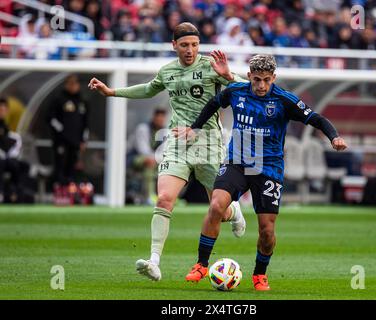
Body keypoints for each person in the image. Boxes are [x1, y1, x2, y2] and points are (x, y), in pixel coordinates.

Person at [88, 22, 247, 282]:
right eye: (184, 45)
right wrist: (112, 92)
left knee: (219, 208)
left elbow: (247, 89)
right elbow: (148, 89)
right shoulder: (168, 71)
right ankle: (153, 261)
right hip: (177, 141)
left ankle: (235, 212)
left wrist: (229, 76)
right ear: (174, 45)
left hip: (209, 144)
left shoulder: (211, 66)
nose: (190, 50)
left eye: (194, 45)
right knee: (163, 198)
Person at [177, 55, 347, 291]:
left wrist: (334, 136)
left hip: (268, 168)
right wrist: (195, 128)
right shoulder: (235, 91)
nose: (261, 86)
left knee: (267, 230)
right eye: (257, 80)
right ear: (249, 76)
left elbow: (315, 118)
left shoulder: (284, 100)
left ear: (274, 78)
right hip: (237, 161)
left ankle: (259, 274)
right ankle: (201, 264)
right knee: (216, 205)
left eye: (267, 80)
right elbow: (214, 103)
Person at [47, 74, 89, 195]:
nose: (73, 86)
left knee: (72, 167)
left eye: (75, 83)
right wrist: (61, 131)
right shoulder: (59, 99)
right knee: (60, 165)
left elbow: (85, 123)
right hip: (61, 141)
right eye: (70, 83)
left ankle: (70, 194)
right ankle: (58, 192)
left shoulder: (82, 101)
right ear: (66, 85)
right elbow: (50, 118)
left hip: (75, 142)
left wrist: (83, 140)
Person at [126, 108, 168, 204]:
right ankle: (149, 197)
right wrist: (153, 159)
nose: (161, 121)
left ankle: (164, 196)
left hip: (155, 159)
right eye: (159, 118)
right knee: (149, 164)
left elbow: (164, 150)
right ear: (154, 117)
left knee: (167, 166)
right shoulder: (143, 128)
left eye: (163, 119)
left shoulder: (165, 132)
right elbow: (142, 149)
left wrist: (155, 159)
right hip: (134, 157)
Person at [0, 98, 23, 203]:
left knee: (19, 165)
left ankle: (15, 194)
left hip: (4, 156)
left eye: (4, 109)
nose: (2, 111)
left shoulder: (4, 125)